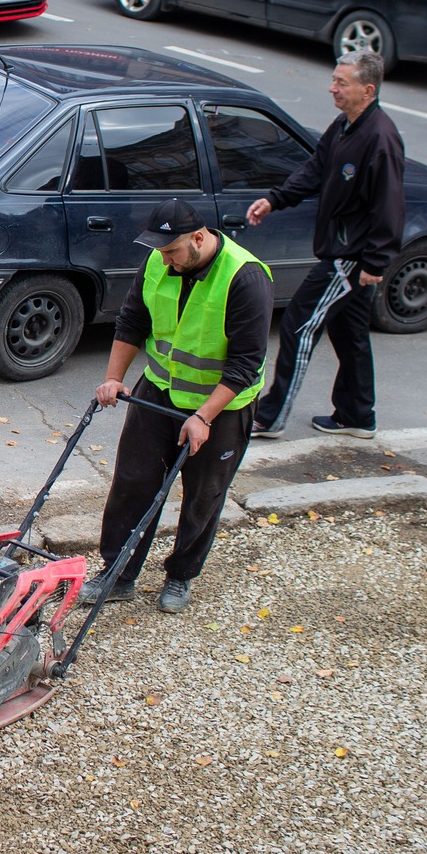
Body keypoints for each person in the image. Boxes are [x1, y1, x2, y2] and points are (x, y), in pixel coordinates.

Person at [86, 198, 272, 614]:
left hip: (221, 407)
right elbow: (132, 321)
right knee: (133, 483)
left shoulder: (245, 278)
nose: (164, 260)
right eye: (159, 251)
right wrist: (114, 378)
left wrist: (204, 417)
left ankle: (181, 575)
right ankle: (117, 572)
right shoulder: (158, 263)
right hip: (159, 390)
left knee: (203, 494)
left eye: (172, 251)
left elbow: (246, 363)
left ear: (199, 238)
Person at [245, 50, 404, 440]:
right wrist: (276, 198)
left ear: (367, 89)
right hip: (345, 251)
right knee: (351, 335)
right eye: (333, 79)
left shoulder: (380, 138)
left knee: (300, 323)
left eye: (341, 82)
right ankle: (357, 414)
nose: (332, 88)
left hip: (348, 258)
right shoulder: (346, 125)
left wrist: (375, 261)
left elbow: (390, 204)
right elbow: (315, 169)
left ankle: (272, 415)